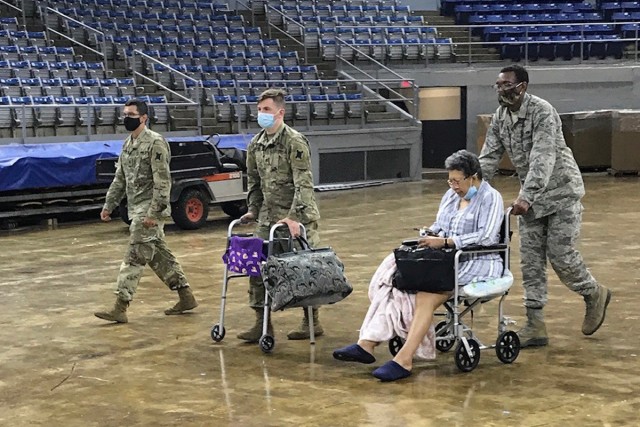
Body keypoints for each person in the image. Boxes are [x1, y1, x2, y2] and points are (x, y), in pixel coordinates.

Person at [333, 150, 505, 382]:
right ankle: (367, 343)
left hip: (478, 260)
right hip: (446, 257)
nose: (453, 186)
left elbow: (486, 236)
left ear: (473, 177)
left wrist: (446, 242)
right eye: (450, 180)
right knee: (397, 283)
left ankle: (404, 359)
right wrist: (431, 234)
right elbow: (442, 225)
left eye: (457, 181)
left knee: (425, 294)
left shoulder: (491, 197)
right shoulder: (451, 196)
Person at [478, 65, 611, 347]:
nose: (501, 91)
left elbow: (543, 157)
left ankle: (593, 292)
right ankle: (535, 325)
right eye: (498, 86)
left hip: (560, 193)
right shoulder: (501, 118)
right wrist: (470, 187)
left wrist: (527, 196)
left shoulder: (541, 111)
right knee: (530, 262)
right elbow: (489, 156)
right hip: (531, 202)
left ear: (522, 87)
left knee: (561, 255)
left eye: (507, 86)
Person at [94, 99, 197, 323]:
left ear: (143, 118)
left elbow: (163, 182)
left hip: (149, 209)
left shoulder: (155, 143)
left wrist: (154, 212)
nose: (126, 118)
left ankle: (120, 307)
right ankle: (185, 295)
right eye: (124, 114)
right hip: (135, 208)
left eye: (130, 114)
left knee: (135, 255)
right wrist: (109, 205)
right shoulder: (127, 144)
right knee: (159, 255)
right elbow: (119, 178)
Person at [237, 88, 322, 342]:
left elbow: (304, 183)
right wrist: (253, 209)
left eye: (267, 110)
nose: (262, 114)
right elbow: (253, 181)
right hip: (268, 217)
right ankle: (262, 323)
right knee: (257, 267)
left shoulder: (294, 142)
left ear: (280, 112)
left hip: (297, 216)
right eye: (260, 110)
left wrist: (295, 216)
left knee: (303, 270)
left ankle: (311, 321)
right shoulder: (255, 144)